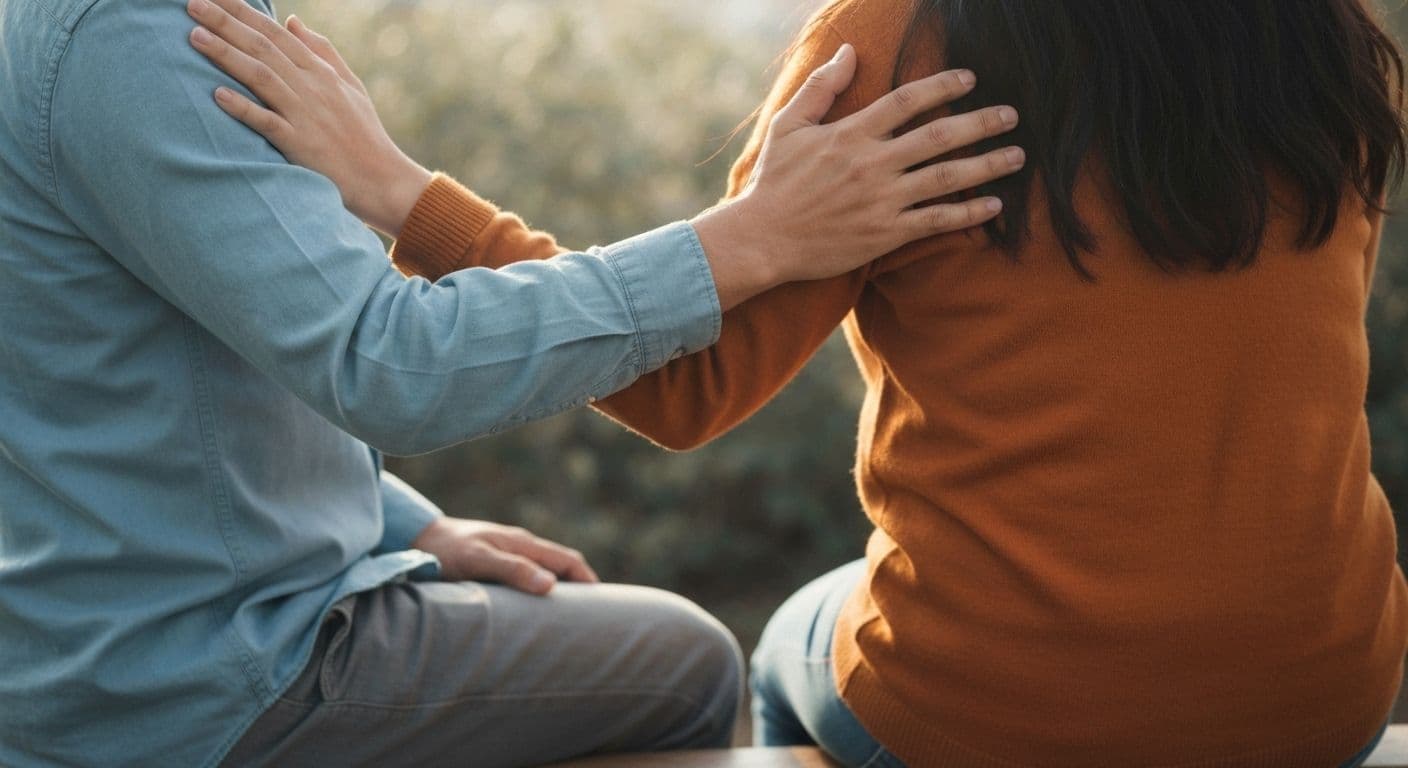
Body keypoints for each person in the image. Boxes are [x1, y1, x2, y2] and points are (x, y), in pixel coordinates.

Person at [190, 0, 1408, 766]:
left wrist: (402, 194)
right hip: (1325, 686)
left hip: (995, 713)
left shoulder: (900, 46)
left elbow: (687, 392)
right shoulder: (1335, 42)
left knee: (786, 638)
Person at [0, 0, 1027, 764]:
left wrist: (400, 521)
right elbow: (379, 360)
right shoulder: (132, 34)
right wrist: (744, 240)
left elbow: (140, 359)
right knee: (689, 664)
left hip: (128, 641)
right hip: (202, 677)